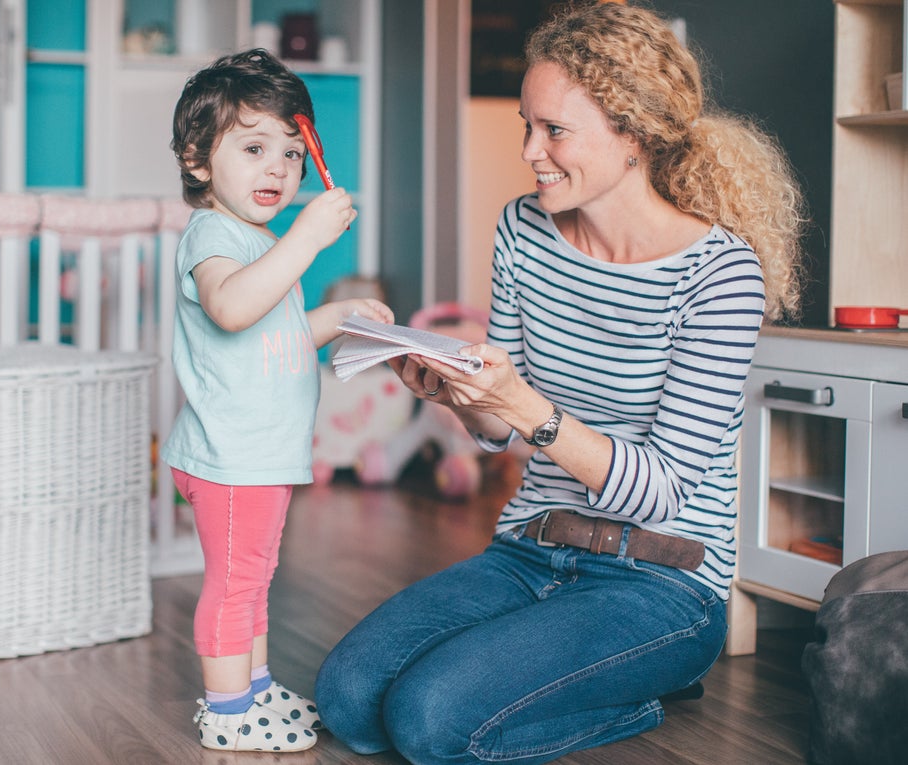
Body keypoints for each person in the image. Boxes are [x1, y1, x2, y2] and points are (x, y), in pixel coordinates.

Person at [315, 3, 807, 763]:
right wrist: (459, 394)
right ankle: (571, 671)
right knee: (348, 699)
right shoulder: (524, 230)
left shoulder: (720, 276)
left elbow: (662, 490)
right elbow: (498, 431)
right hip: (532, 547)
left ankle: (635, 693)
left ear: (633, 133)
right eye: (526, 125)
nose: (530, 151)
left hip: (663, 581)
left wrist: (526, 406)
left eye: (554, 130)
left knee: (428, 721)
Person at [160, 49, 393, 753]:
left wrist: (340, 315)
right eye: (255, 147)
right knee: (235, 587)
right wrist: (308, 237)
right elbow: (232, 308)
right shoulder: (214, 236)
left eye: (293, 153)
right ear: (198, 160)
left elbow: (278, 327)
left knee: (254, 581)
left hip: (259, 455)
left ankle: (254, 687)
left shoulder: (258, 241)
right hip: (233, 456)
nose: (278, 169)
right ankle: (228, 709)